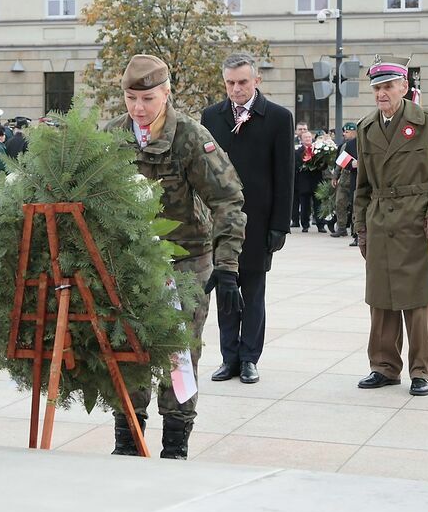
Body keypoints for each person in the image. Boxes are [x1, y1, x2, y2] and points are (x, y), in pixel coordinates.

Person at [104, 54, 246, 459]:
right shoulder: (113, 136)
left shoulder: (189, 137)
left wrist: (227, 263)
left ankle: (175, 444)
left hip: (186, 260)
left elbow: (228, 199)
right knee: (126, 346)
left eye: (147, 98)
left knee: (178, 352)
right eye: (131, 98)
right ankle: (128, 438)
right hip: (131, 262)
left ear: (166, 93)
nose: (138, 108)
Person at [353, 57, 428, 398]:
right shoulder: (366, 128)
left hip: (419, 221)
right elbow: (362, 185)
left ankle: (421, 370)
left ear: (404, 87)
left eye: (387, 87)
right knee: (381, 301)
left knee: (418, 302)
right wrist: (361, 227)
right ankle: (383, 367)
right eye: (377, 88)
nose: (381, 94)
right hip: (381, 221)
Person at [200, 51, 293, 385]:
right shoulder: (211, 116)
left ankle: (250, 357)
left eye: (242, 82)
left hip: (258, 220)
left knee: (253, 292)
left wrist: (280, 224)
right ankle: (229, 358)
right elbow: (204, 172)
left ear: (257, 80)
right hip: (220, 222)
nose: (236, 89)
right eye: (229, 83)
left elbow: (285, 175)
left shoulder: (279, 118)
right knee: (225, 289)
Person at [331, 123, 358, 241]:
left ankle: (355, 230)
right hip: (344, 178)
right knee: (340, 203)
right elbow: (339, 163)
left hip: (355, 177)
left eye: (347, 132)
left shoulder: (358, 144)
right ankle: (341, 228)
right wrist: (335, 177)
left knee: (355, 205)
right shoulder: (343, 146)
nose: (344, 134)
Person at [293, 129, 320, 233]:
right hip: (303, 181)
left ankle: (320, 224)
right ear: (302, 140)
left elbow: (323, 164)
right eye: (305, 138)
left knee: (318, 203)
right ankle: (305, 225)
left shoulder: (318, 149)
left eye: (309, 137)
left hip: (316, 180)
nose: (308, 139)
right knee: (305, 205)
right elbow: (296, 165)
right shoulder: (297, 152)